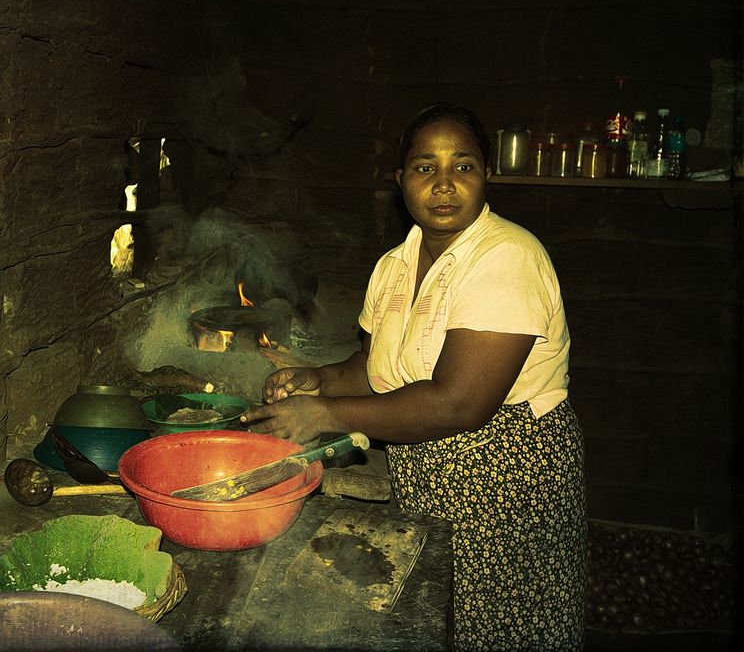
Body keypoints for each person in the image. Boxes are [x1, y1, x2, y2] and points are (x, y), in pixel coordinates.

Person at [242, 102, 587, 651]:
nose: (445, 185)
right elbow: (374, 369)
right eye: (426, 167)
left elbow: (459, 403)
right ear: (400, 180)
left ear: (486, 174)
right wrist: (319, 380)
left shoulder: (506, 258)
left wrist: (324, 414)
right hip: (425, 467)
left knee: (501, 630)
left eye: (463, 166)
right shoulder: (395, 266)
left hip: (505, 479)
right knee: (436, 624)